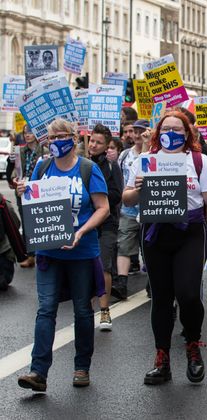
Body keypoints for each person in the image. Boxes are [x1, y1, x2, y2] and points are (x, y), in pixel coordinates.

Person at [122, 111, 207, 385]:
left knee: (188, 295)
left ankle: (193, 345)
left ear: (187, 134)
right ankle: (162, 358)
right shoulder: (145, 161)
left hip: (189, 233)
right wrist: (139, 189)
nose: (172, 133)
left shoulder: (200, 162)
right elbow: (127, 198)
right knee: (160, 298)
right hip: (156, 233)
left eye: (177, 129)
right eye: (166, 128)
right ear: (158, 132)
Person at [16, 118, 110, 392]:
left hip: (80, 251)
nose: (55, 140)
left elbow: (102, 207)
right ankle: (38, 371)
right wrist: (25, 191)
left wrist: (81, 232)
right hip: (49, 252)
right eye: (51, 136)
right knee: (46, 309)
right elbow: (34, 204)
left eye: (61, 136)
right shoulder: (42, 167)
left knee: (82, 309)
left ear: (72, 137)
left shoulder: (88, 169)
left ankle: (81, 366)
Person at [88, 124, 123, 330]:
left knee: (103, 266)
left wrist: (97, 195)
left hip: (107, 223)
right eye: (92, 140)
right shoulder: (80, 162)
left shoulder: (111, 166)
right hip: (84, 222)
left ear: (106, 145)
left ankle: (104, 310)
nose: (93, 145)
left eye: (98, 142)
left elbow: (117, 195)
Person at [114, 120, 150, 299]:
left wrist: (146, 148)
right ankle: (122, 282)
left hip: (150, 208)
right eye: (135, 132)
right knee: (124, 244)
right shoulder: (125, 155)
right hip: (129, 208)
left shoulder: (155, 153)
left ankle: (152, 281)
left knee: (148, 246)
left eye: (141, 132)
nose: (137, 135)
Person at [10, 124, 47, 268]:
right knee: (27, 223)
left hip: (38, 191)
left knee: (40, 222)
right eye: (25, 132)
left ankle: (41, 253)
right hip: (22, 190)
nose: (27, 135)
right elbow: (15, 171)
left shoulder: (44, 151)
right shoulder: (20, 151)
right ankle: (30, 254)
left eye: (30, 132)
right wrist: (14, 179)